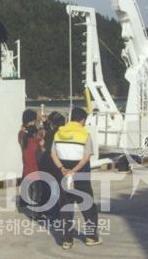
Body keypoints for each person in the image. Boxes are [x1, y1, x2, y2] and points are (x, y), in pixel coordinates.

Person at [51, 107, 102, 250]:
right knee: (88, 207)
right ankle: (91, 237)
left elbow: (53, 155)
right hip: (81, 175)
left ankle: (67, 241)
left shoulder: (59, 133)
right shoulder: (84, 134)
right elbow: (86, 157)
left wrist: (63, 169)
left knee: (66, 208)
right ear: (82, 120)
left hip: (63, 174)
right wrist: (73, 171)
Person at [39, 111, 66, 218]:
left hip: (47, 163)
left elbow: (49, 132)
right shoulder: (64, 134)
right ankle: (57, 212)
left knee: (49, 188)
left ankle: (49, 211)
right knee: (58, 189)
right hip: (57, 164)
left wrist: (45, 122)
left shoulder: (51, 134)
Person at [17, 109, 44, 215]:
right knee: (36, 192)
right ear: (33, 119)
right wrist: (41, 122)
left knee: (27, 187)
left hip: (27, 165)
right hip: (36, 166)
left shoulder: (22, 134)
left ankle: (23, 205)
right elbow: (42, 138)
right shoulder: (34, 134)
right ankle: (35, 213)